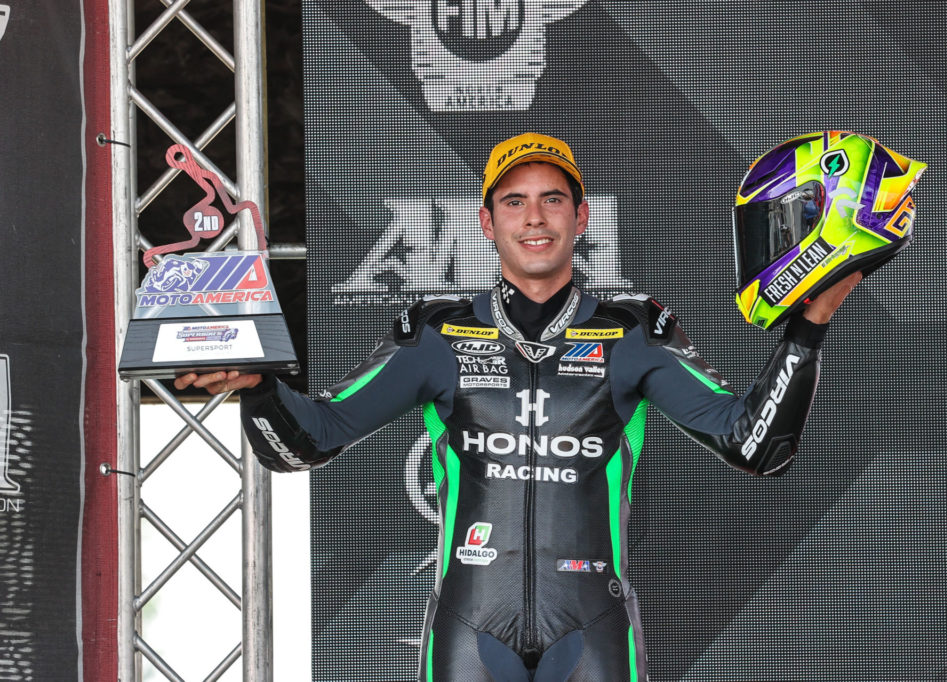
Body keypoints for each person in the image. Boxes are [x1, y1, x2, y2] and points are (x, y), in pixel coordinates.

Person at [176, 133, 860, 681]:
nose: (534, 217)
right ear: (486, 220)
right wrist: (257, 389)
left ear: (581, 216)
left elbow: (755, 446)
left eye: (553, 199)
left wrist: (811, 324)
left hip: (593, 628)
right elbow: (306, 442)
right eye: (514, 201)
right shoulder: (435, 332)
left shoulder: (635, 330)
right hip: (469, 627)